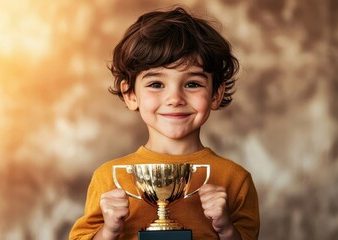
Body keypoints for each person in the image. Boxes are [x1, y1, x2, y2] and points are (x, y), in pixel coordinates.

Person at [70, 6, 259, 240]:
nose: (175, 99)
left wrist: (225, 228)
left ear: (215, 94)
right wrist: (109, 230)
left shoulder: (235, 179)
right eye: (156, 84)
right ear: (130, 95)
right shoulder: (109, 178)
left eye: (192, 84)